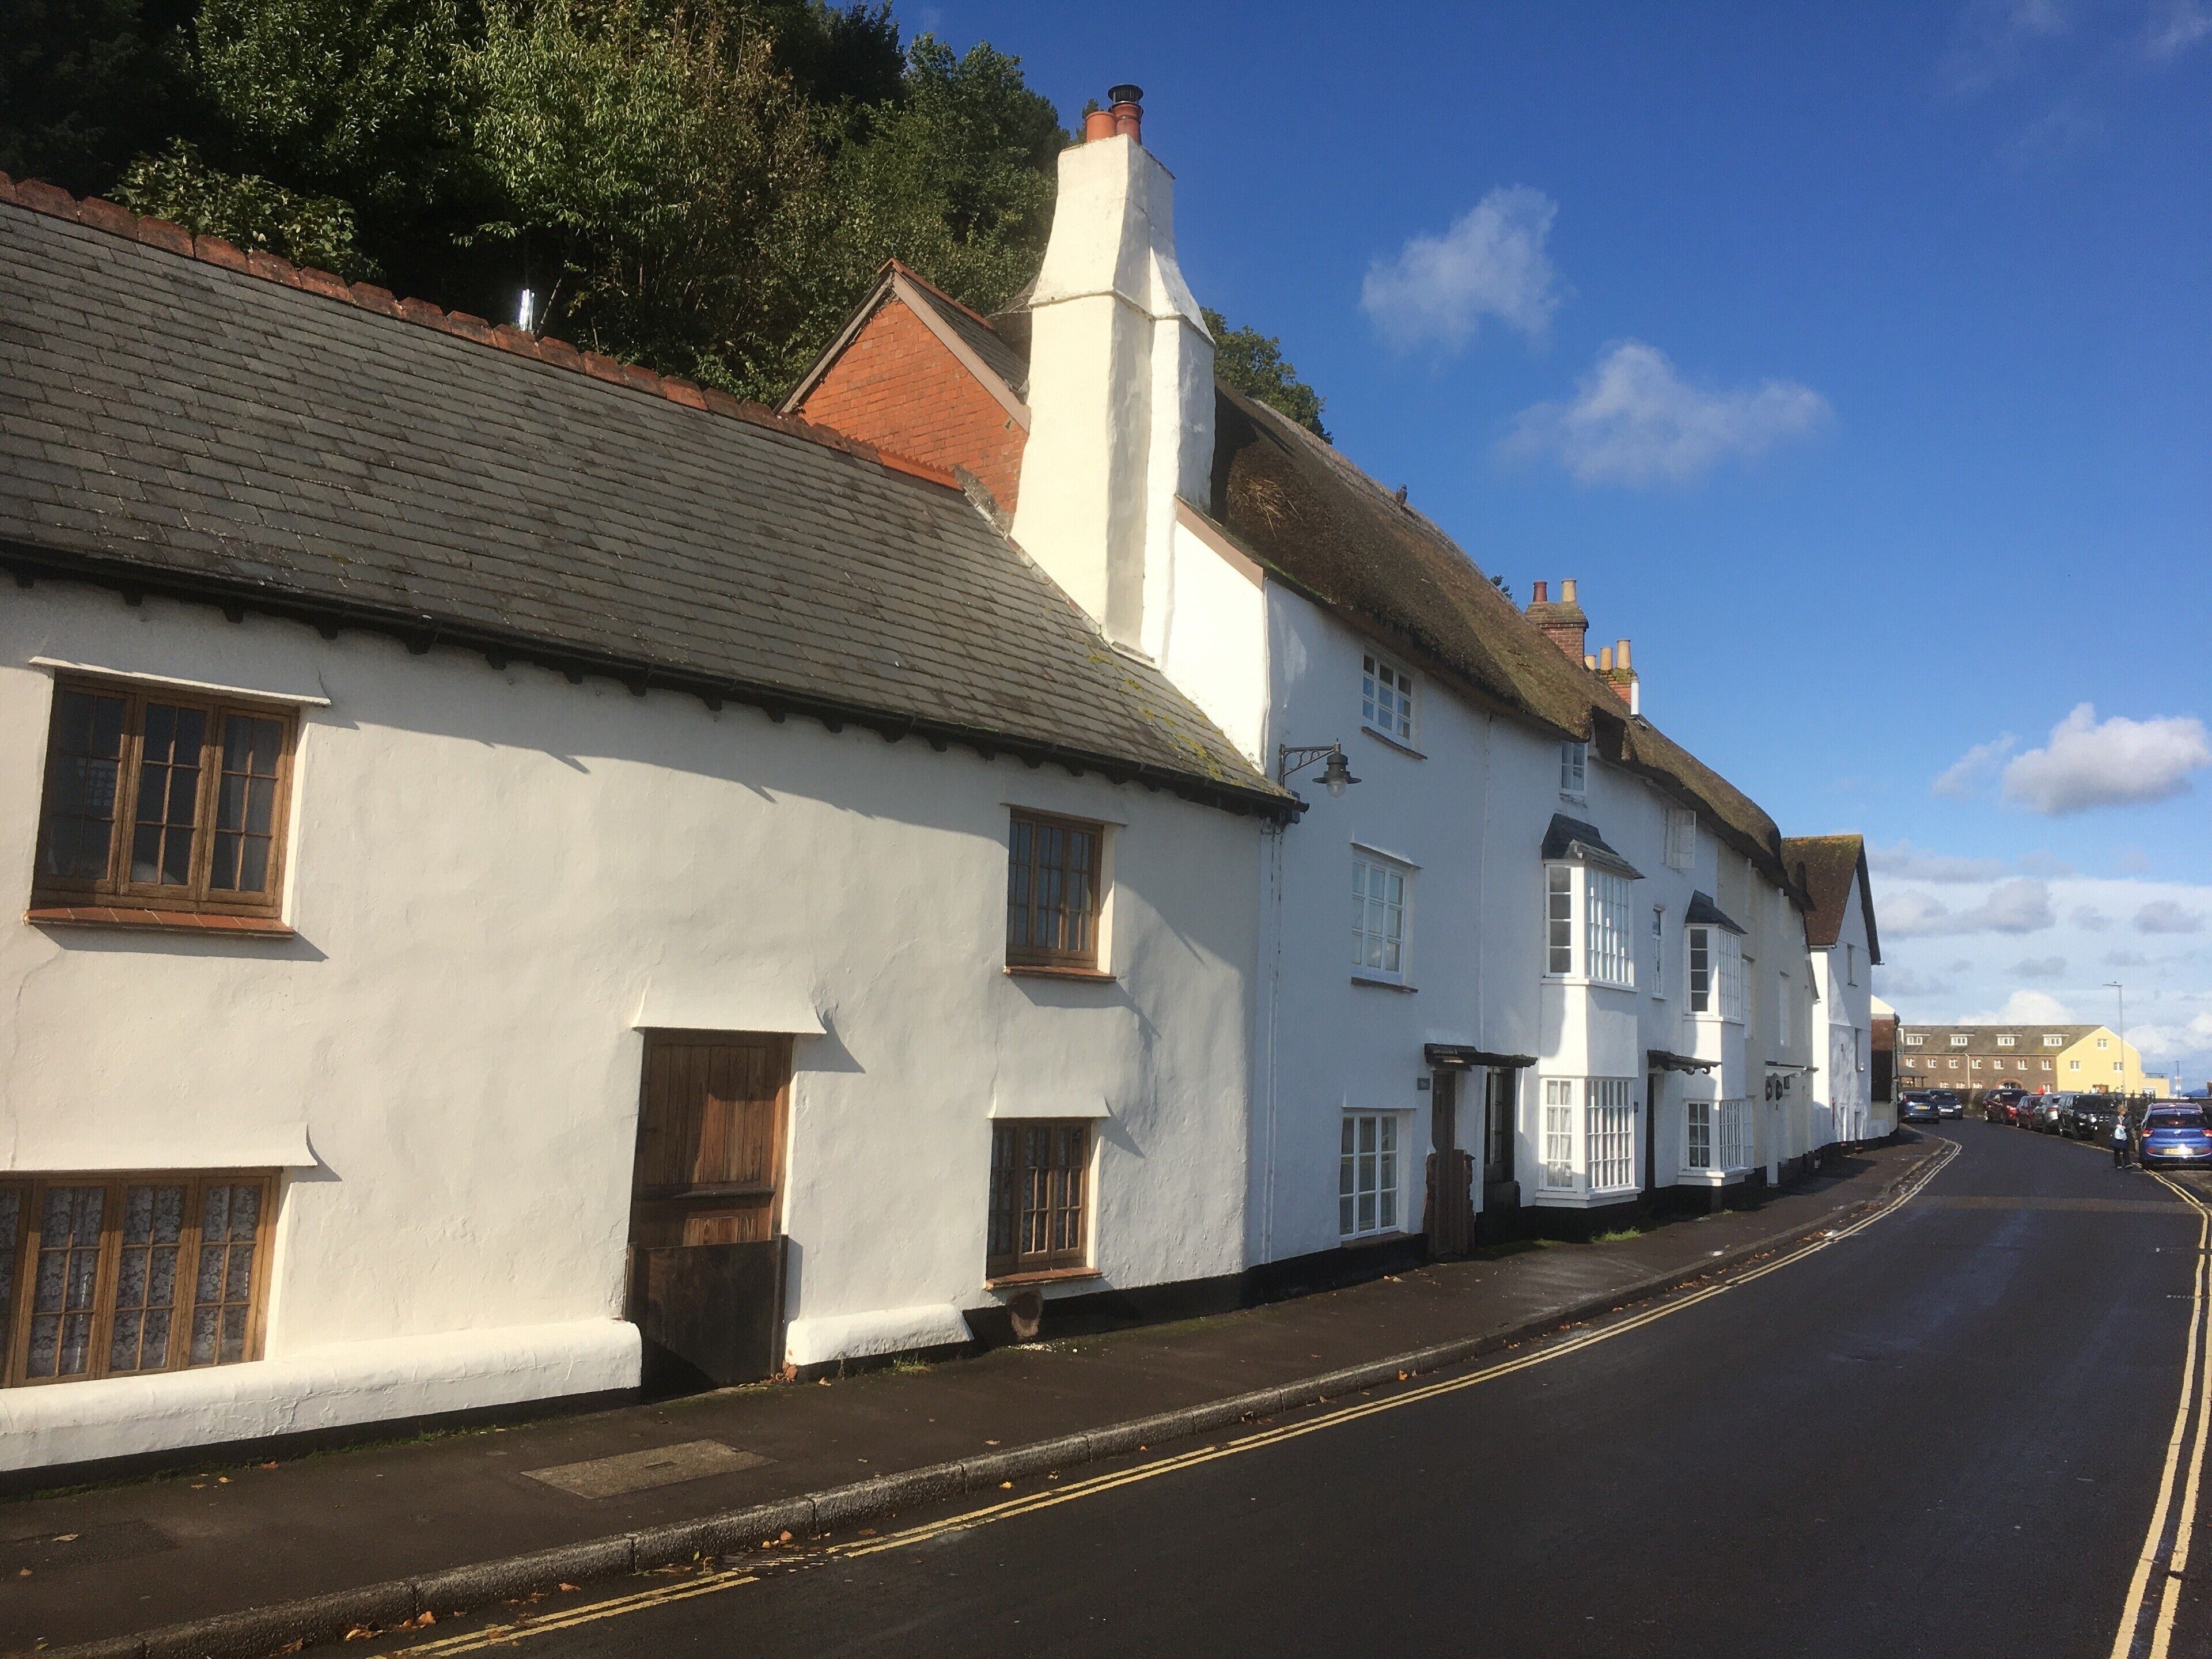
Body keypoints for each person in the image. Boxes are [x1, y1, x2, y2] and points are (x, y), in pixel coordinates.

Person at [2113, 1102, 2134, 1169]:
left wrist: (2125, 1128)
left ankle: (2128, 1164)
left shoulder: (2128, 1118)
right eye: (2123, 1111)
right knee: (2117, 1151)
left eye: (2125, 1111)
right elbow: (2110, 1125)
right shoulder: (2114, 1117)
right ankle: (2118, 1164)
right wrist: (2116, 1126)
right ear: (2120, 1111)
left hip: (2125, 1136)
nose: (2124, 1113)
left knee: (2126, 1150)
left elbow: (2130, 1126)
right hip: (2117, 1136)